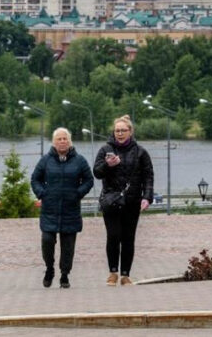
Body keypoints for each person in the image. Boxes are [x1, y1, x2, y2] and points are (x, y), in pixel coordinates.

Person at [93, 115, 154, 287]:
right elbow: (97, 172)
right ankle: (113, 272)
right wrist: (108, 165)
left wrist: (147, 196)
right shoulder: (105, 150)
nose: (120, 133)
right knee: (113, 236)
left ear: (130, 132)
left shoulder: (141, 152)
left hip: (132, 200)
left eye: (123, 130)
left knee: (128, 238)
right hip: (111, 200)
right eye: (117, 130)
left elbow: (148, 176)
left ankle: (126, 274)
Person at [30, 128, 94, 289]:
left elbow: (89, 180)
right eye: (59, 139)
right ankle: (49, 269)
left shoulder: (79, 160)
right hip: (49, 209)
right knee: (47, 241)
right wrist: (42, 193)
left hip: (70, 209)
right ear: (54, 142)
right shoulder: (45, 160)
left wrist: (78, 193)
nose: (62, 141)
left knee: (68, 246)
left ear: (70, 141)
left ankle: (65, 274)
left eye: (65, 138)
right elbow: (35, 179)